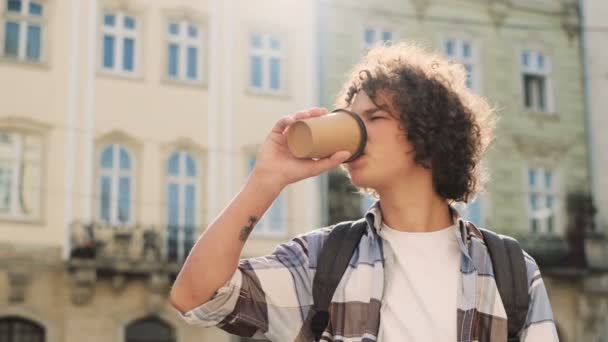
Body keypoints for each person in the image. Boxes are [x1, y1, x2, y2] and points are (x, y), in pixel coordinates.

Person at [169, 43, 559, 341]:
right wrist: (266, 178)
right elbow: (197, 296)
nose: (355, 135)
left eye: (375, 117)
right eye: (351, 121)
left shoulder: (509, 270)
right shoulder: (324, 260)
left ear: (429, 132)